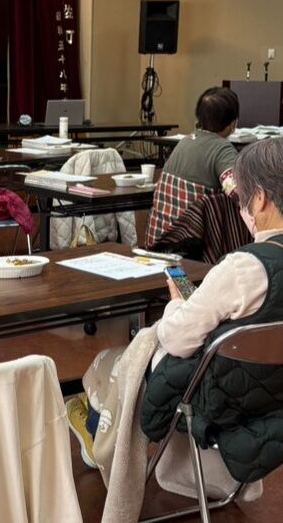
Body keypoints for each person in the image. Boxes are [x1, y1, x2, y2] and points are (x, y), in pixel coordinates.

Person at [68, 137, 283, 479]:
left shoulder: (243, 268)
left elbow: (177, 340)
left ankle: (96, 436)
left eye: (243, 198)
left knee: (112, 361)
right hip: (273, 401)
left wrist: (178, 303)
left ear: (259, 199)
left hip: (218, 401)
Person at [146, 86, 240, 250]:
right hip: (190, 249)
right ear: (232, 123)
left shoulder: (184, 142)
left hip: (156, 242)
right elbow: (237, 192)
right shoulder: (222, 149)